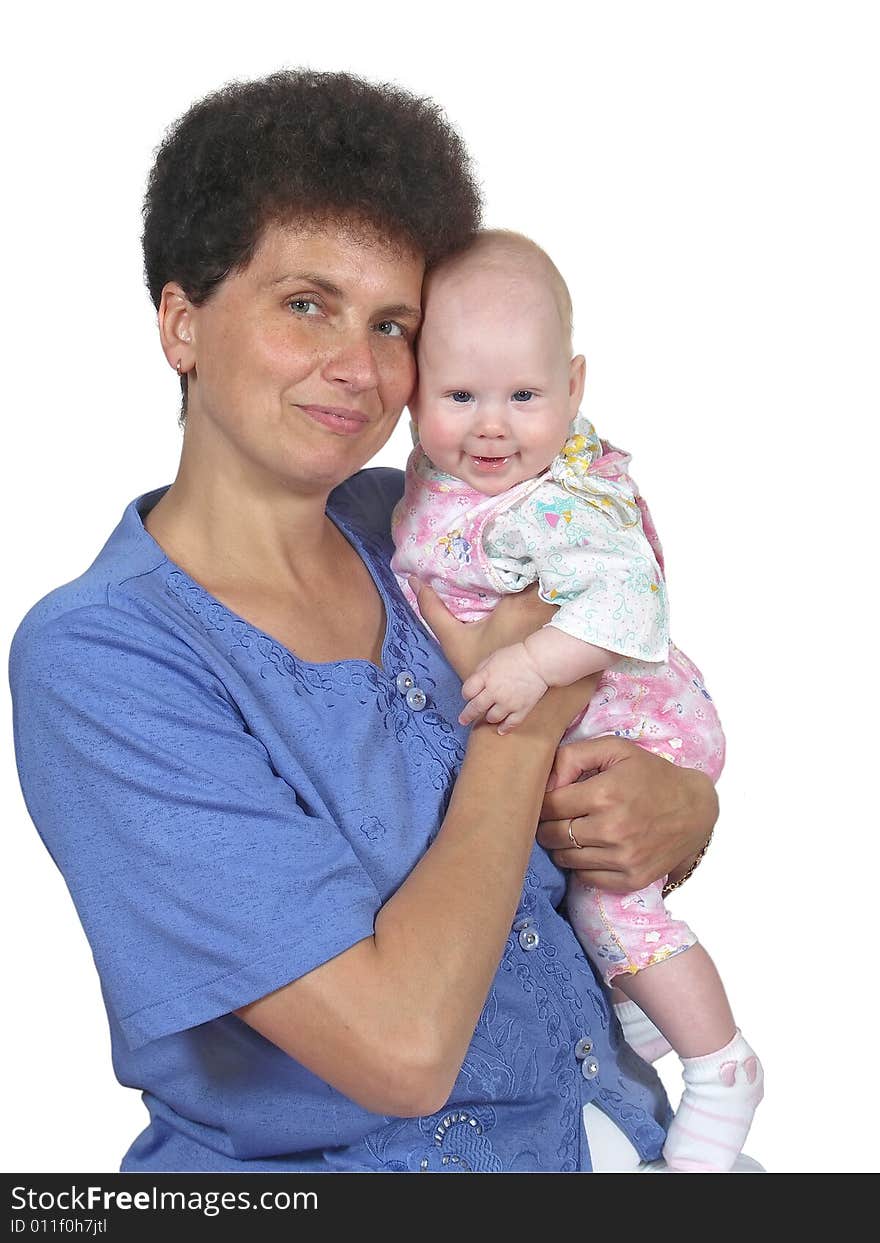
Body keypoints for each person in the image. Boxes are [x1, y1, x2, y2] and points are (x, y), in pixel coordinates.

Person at [10, 70, 727, 1173]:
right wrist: (523, 719)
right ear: (181, 321)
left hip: (625, 1139)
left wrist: (676, 810)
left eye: (392, 323)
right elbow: (399, 1052)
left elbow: (626, 682)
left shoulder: (428, 529)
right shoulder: (105, 661)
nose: (357, 368)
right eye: (307, 304)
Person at [391, 230, 763, 1172]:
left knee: (611, 908)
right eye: (459, 395)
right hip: (585, 719)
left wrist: (529, 667)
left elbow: (631, 600)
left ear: (576, 384)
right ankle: (633, 1004)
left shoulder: (560, 500)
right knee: (591, 897)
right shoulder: (450, 484)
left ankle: (720, 1066)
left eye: (524, 396)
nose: (491, 427)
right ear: (411, 387)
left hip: (633, 716)